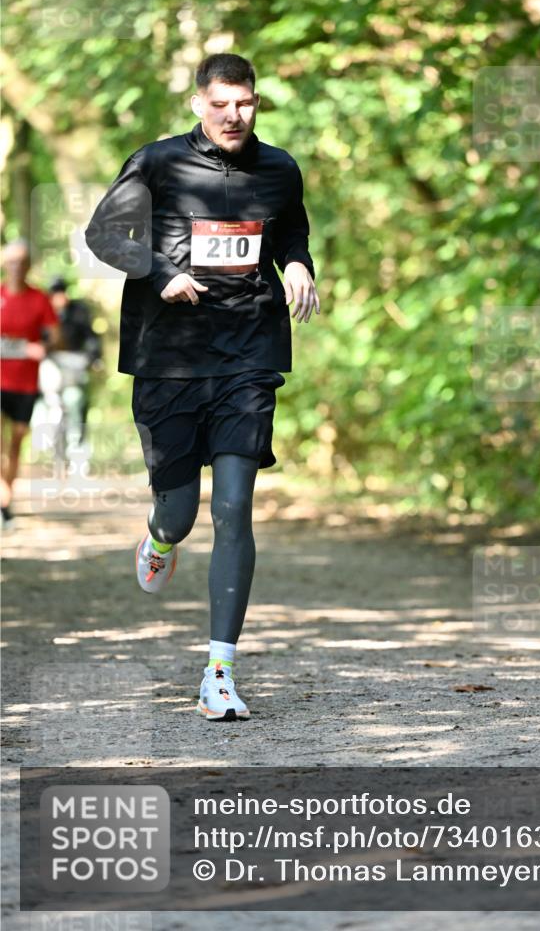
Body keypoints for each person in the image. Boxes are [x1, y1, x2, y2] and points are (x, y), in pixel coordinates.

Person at [85, 53, 320, 721]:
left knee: (234, 508)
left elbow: (291, 226)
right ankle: (159, 536)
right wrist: (157, 270)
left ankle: (219, 670)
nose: (232, 115)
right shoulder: (157, 163)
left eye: (243, 103)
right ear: (198, 103)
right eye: (219, 103)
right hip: (169, 360)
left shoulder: (278, 168)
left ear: (256, 103)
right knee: (183, 513)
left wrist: (297, 262)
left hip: (248, 355)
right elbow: (104, 233)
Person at [0, 239, 59, 528]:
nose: (16, 267)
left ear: (28, 266)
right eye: (11, 261)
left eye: (21, 262)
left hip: (25, 385)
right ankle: (2, 502)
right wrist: (23, 348)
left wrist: (44, 346)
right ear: (4, 263)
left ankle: (6, 500)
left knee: (14, 445)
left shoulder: (39, 299)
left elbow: (55, 336)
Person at [45, 276, 103, 466]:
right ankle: (55, 450)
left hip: (76, 368)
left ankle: (77, 451)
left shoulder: (78, 311)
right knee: (51, 406)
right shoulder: (45, 313)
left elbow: (91, 338)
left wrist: (94, 358)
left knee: (76, 403)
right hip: (50, 370)